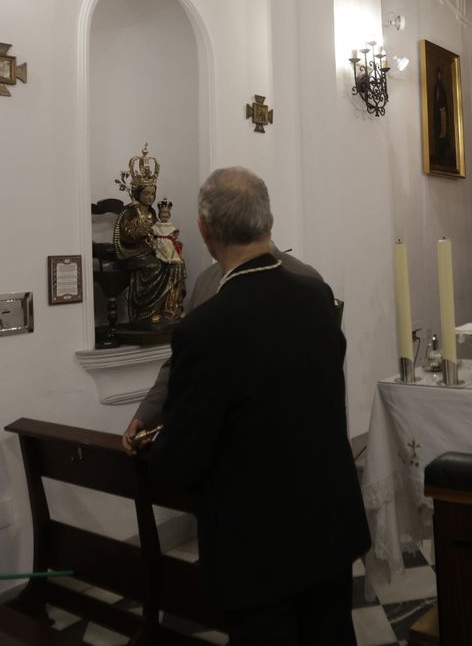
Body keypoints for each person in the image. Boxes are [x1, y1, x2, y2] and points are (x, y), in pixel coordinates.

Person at [137, 167, 368, 645]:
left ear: (204, 232)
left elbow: (180, 462)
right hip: (328, 525)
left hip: (259, 548)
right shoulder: (315, 297)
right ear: (270, 220)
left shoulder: (208, 328)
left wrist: (156, 449)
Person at [121, 240, 323, 433]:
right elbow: (182, 361)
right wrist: (148, 414)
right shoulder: (206, 282)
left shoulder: (305, 279)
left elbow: (321, 369)